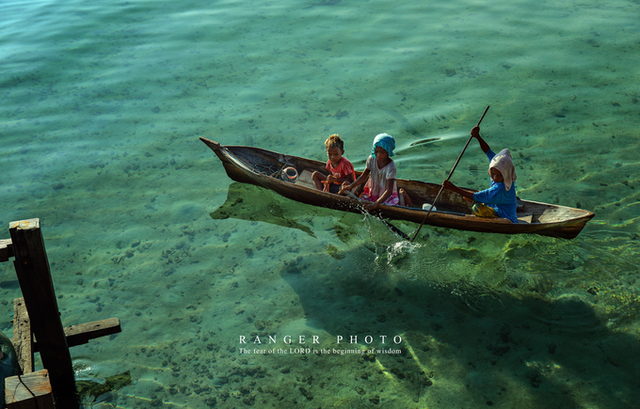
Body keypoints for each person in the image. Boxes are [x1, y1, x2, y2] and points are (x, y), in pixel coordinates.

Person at [442, 126, 518, 223]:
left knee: (476, 208)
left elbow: (476, 196)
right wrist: (477, 136)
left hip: (506, 217)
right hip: (497, 204)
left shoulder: (500, 188)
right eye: (493, 174)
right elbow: (488, 151)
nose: (494, 178)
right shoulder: (498, 167)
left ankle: (493, 219)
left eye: (498, 176)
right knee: (467, 196)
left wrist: (453, 188)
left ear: (505, 174)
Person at [340, 133, 404, 211]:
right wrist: (351, 186)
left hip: (385, 194)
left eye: (382, 152)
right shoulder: (371, 159)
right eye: (376, 151)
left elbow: (389, 191)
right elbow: (363, 177)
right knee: (364, 204)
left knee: (392, 205)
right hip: (373, 191)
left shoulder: (391, 166)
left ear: (388, 151)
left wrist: (376, 204)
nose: (378, 155)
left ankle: (402, 195)